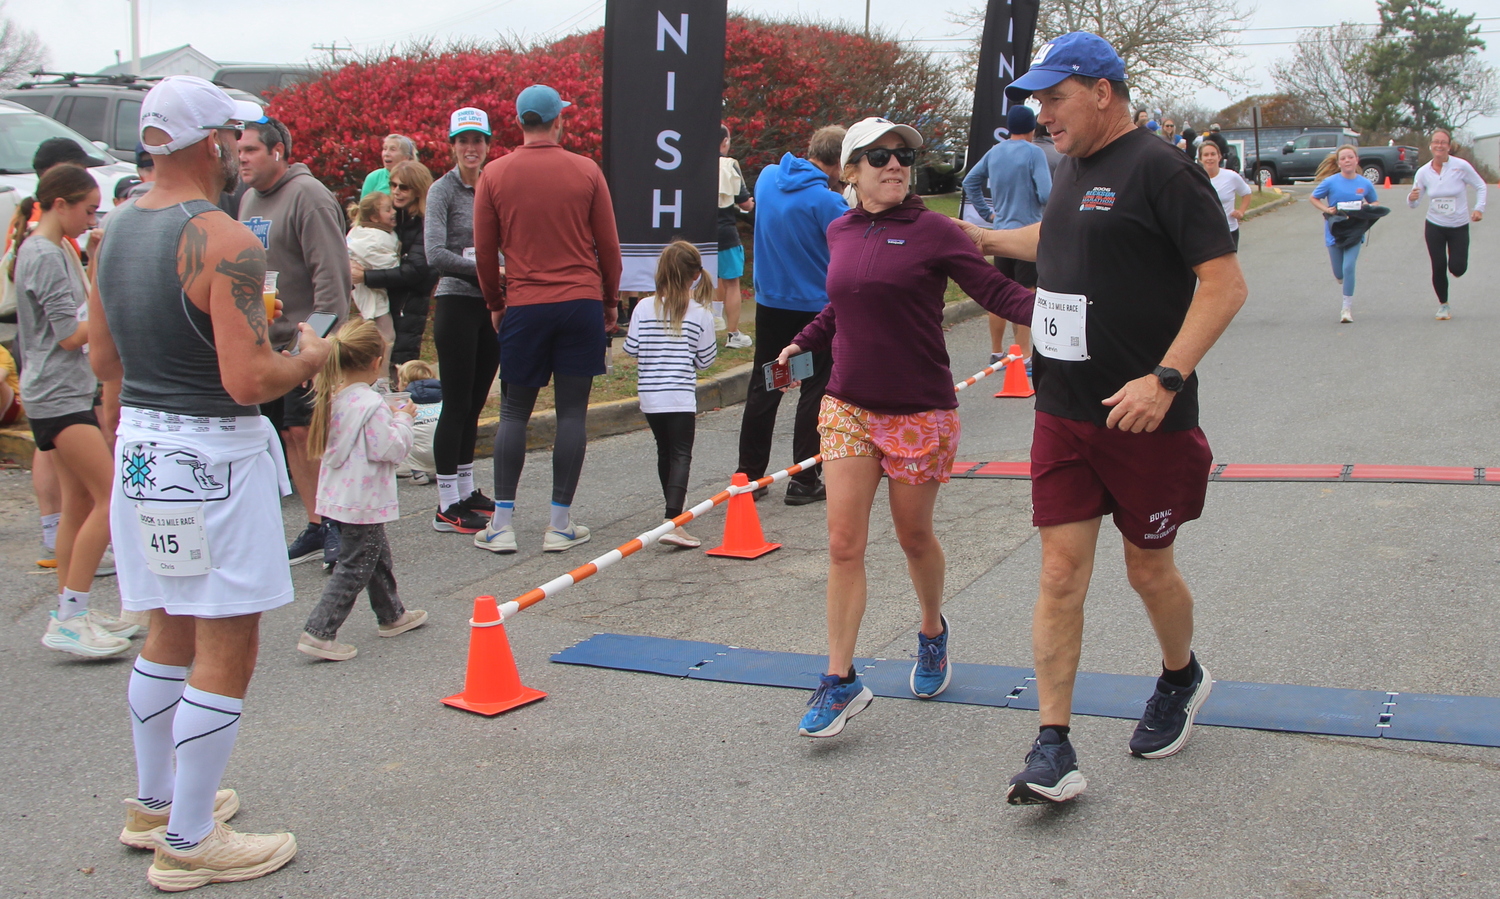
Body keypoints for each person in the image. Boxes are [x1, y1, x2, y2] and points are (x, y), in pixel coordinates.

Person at [966, 32, 1247, 804]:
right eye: (1038, 100)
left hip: (1143, 419)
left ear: (1101, 91)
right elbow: (1055, 238)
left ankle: (1182, 674)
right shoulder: (1069, 167)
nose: (1043, 113)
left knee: (1147, 568)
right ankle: (1052, 745)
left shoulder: (1164, 170)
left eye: (1055, 98)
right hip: (1062, 410)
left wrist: (1165, 377)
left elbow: (1224, 286)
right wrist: (983, 237)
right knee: (1059, 572)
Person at [92, 74, 328, 889]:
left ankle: (155, 803)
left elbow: (103, 361)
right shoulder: (224, 237)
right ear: (206, 143)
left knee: (167, 624)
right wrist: (308, 355)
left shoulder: (114, 227)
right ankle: (190, 838)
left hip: (144, 448)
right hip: (212, 455)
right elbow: (247, 378)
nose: (237, 147)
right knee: (228, 635)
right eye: (230, 134)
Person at [778, 117, 1036, 738]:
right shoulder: (840, 229)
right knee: (844, 543)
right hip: (847, 408)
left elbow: (1001, 294)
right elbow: (843, 304)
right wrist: (799, 345)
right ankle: (840, 679)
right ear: (851, 170)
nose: (894, 165)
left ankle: (931, 630)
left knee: (914, 536)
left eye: (903, 156)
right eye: (878, 156)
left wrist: (1074, 318)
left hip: (919, 411)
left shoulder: (936, 232)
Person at [470, 84, 622, 554]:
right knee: (571, 412)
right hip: (579, 302)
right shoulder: (585, 170)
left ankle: (502, 523)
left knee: (515, 410)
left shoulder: (493, 174)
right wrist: (610, 300)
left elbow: (483, 251)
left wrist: (496, 302)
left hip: (525, 302)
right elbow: (609, 249)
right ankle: (559, 523)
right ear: (560, 121)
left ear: (519, 123)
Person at [13, 164, 136, 657]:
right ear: (60, 204)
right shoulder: (42, 253)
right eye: (87, 209)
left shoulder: (53, 247)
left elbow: (73, 311)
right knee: (112, 497)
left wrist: (93, 264)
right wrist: (114, 313)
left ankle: (72, 609)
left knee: (80, 504)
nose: (91, 218)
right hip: (57, 395)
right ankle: (69, 615)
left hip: (57, 390)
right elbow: (69, 332)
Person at [238, 116, 352, 567]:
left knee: (308, 433)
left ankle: (341, 529)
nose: (241, 158)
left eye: (250, 150)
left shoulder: (309, 196)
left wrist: (317, 343)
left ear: (278, 151)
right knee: (287, 436)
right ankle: (316, 521)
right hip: (264, 343)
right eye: (239, 150)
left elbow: (332, 278)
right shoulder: (247, 199)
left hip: (306, 342)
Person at [297, 320, 427, 661]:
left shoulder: (336, 397)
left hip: (341, 497)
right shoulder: (371, 405)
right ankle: (319, 631)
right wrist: (404, 419)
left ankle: (392, 614)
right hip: (362, 499)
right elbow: (390, 449)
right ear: (375, 362)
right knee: (357, 564)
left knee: (375, 554)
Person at [735, 125, 848, 506]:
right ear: (839, 162)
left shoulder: (768, 178)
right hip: (813, 311)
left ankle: (749, 475)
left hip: (771, 305)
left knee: (766, 387)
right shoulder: (828, 202)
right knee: (814, 389)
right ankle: (803, 478)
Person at [424, 106, 498, 534]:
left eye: (478, 140)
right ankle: (445, 502)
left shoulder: (494, 185)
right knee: (454, 403)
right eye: (464, 141)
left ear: (488, 144)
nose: (472, 148)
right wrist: (488, 268)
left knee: (475, 403)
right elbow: (436, 254)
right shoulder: (441, 191)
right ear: (452, 146)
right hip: (456, 303)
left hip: (490, 304)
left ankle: (467, 489)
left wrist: (500, 270)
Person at [623, 241, 717, 548]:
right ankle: (673, 519)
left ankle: (673, 512)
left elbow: (631, 349)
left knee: (665, 451)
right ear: (694, 276)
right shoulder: (700, 313)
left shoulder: (642, 307)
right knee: (681, 454)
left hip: (650, 395)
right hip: (679, 395)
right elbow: (706, 359)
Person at [962, 104, 1051, 370]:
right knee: (1026, 292)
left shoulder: (994, 152)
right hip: (1026, 235)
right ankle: (1024, 355)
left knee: (999, 294)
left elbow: (969, 182)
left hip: (999, 232)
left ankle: (997, 351)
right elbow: (1047, 194)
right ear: (1032, 129)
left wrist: (987, 213)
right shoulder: (1034, 153)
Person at [358, 159, 434, 366]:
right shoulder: (390, 217)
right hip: (383, 301)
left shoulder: (426, 224)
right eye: (393, 185)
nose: (397, 191)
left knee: (398, 367)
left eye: (404, 187)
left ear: (417, 190)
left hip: (407, 308)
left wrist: (366, 277)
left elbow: (417, 272)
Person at [1407, 128, 1486, 320]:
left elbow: (1481, 186)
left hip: (1458, 225)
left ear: (1449, 147)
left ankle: (1455, 259)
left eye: (1443, 142)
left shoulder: (1461, 166)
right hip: (1435, 225)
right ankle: (1444, 305)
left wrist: (1478, 209)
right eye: (1436, 142)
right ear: (1431, 146)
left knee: (1458, 268)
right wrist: (1411, 198)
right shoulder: (1424, 172)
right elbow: (1414, 203)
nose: (1439, 145)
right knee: (1438, 265)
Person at [1309, 145, 1379, 324]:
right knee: (1339, 272)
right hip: (1335, 231)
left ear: (1357, 160)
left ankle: (1346, 308)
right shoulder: (1330, 182)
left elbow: (1375, 202)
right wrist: (1327, 209)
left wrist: (1368, 208)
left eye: (1350, 157)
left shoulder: (1364, 183)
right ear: (1339, 163)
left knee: (1349, 268)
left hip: (1355, 230)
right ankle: (1341, 279)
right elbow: (1313, 198)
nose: (1347, 161)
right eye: (1343, 158)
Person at [345, 191, 399, 351]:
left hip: (367, 289)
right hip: (372, 295)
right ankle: (380, 375)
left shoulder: (359, 230)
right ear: (374, 218)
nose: (394, 212)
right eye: (388, 210)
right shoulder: (372, 239)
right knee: (386, 337)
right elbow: (390, 265)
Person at [716, 125, 755, 348]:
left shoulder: (692, 164)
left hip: (699, 232)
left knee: (702, 281)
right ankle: (733, 334)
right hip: (726, 231)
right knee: (731, 283)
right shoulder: (729, 165)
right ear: (725, 142)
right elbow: (745, 203)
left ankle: (710, 324)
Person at [1199, 140, 1252, 249]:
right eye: (1206, 155)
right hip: (1205, 232)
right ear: (1200, 159)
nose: (1210, 158)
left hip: (1228, 231)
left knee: (1228, 265)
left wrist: (1241, 211)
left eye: (1213, 154)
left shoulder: (1231, 176)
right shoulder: (1195, 178)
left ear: (1219, 157)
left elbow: (1246, 193)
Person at [395, 358, 441, 484]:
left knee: (401, 427)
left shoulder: (404, 405)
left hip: (420, 456)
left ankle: (418, 473)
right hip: (447, 455)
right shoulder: (444, 398)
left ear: (404, 383)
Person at [359, 133, 416, 198]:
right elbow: (364, 207)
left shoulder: (415, 178)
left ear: (406, 157)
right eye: (385, 149)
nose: (386, 154)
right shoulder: (373, 177)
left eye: (393, 149)